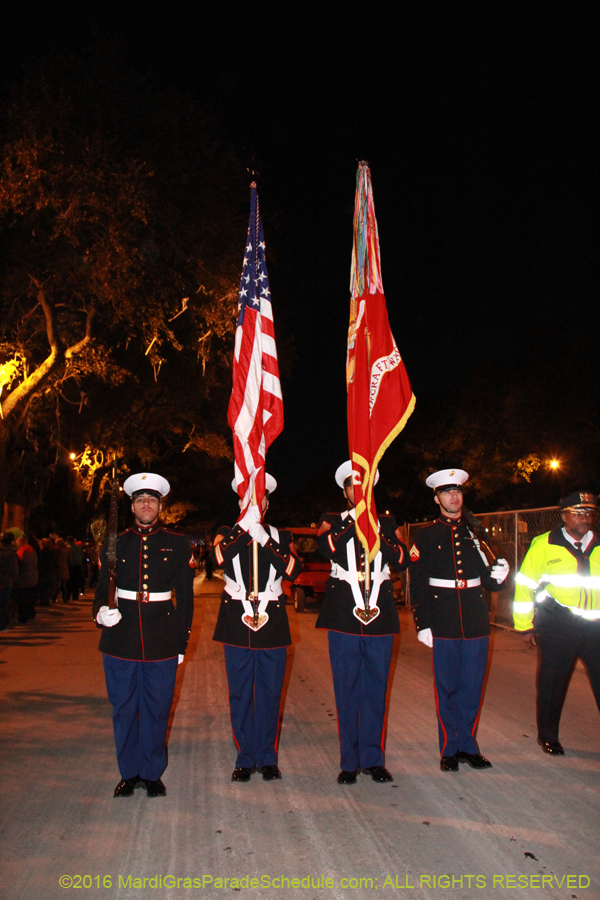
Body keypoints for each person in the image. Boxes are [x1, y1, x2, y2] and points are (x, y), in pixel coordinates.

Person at [93, 472, 195, 798]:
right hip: (120, 638)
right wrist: (100, 613)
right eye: (140, 500)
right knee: (123, 708)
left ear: (160, 506)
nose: (146, 504)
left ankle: (151, 772)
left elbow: (185, 598)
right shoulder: (117, 542)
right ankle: (129, 772)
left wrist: (181, 642)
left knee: (156, 707)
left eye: (151, 499)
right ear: (132, 506)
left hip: (162, 637)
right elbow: (100, 589)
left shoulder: (177, 543)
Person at [409, 468, 509, 772]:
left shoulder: (476, 531)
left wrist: (500, 578)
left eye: (458, 491)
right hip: (443, 619)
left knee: (472, 687)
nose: (454, 496)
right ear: (437, 497)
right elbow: (418, 582)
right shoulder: (425, 535)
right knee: (448, 687)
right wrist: (422, 623)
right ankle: (448, 749)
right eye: (447, 492)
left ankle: (468, 745)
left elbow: (489, 580)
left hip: (475, 618)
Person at [316, 461, 409, 785]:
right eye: (352, 487)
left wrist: (376, 525)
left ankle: (373, 759)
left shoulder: (387, 521)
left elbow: (401, 558)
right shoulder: (331, 521)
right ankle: (349, 761)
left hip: (380, 615)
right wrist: (355, 520)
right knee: (347, 690)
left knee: (375, 689)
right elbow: (326, 549)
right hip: (343, 615)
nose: (358, 491)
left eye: (363, 486)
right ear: (344, 492)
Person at [211, 475, 301, 782]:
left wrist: (264, 538)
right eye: (248, 498)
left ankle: (267, 756)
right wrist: (243, 529)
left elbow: (292, 569)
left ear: (266, 502)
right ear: (240, 502)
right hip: (236, 620)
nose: (254, 503)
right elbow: (218, 558)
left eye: (259, 498)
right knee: (240, 694)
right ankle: (244, 756)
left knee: (269, 692)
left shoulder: (281, 535)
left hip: (272, 620)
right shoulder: (226, 533)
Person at [513, 490, 600, 755]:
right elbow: (525, 585)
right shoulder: (544, 544)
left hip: (596, 626)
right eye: (578, 513)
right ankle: (548, 737)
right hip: (559, 624)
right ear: (564, 516)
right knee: (553, 682)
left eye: (590, 513)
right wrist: (525, 624)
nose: (585, 517)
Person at [15, 534, 39, 624]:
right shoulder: (33, 551)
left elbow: (17, 567)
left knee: (23, 600)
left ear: (21, 542)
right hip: (33, 579)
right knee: (31, 599)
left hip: (24, 580)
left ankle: (23, 618)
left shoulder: (21, 552)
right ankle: (30, 616)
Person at [0, 532, 19, 631]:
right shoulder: (11, 554)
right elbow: (14, 569)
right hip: (5, 582)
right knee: (3, 605)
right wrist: (14, 579)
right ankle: (1, 626)